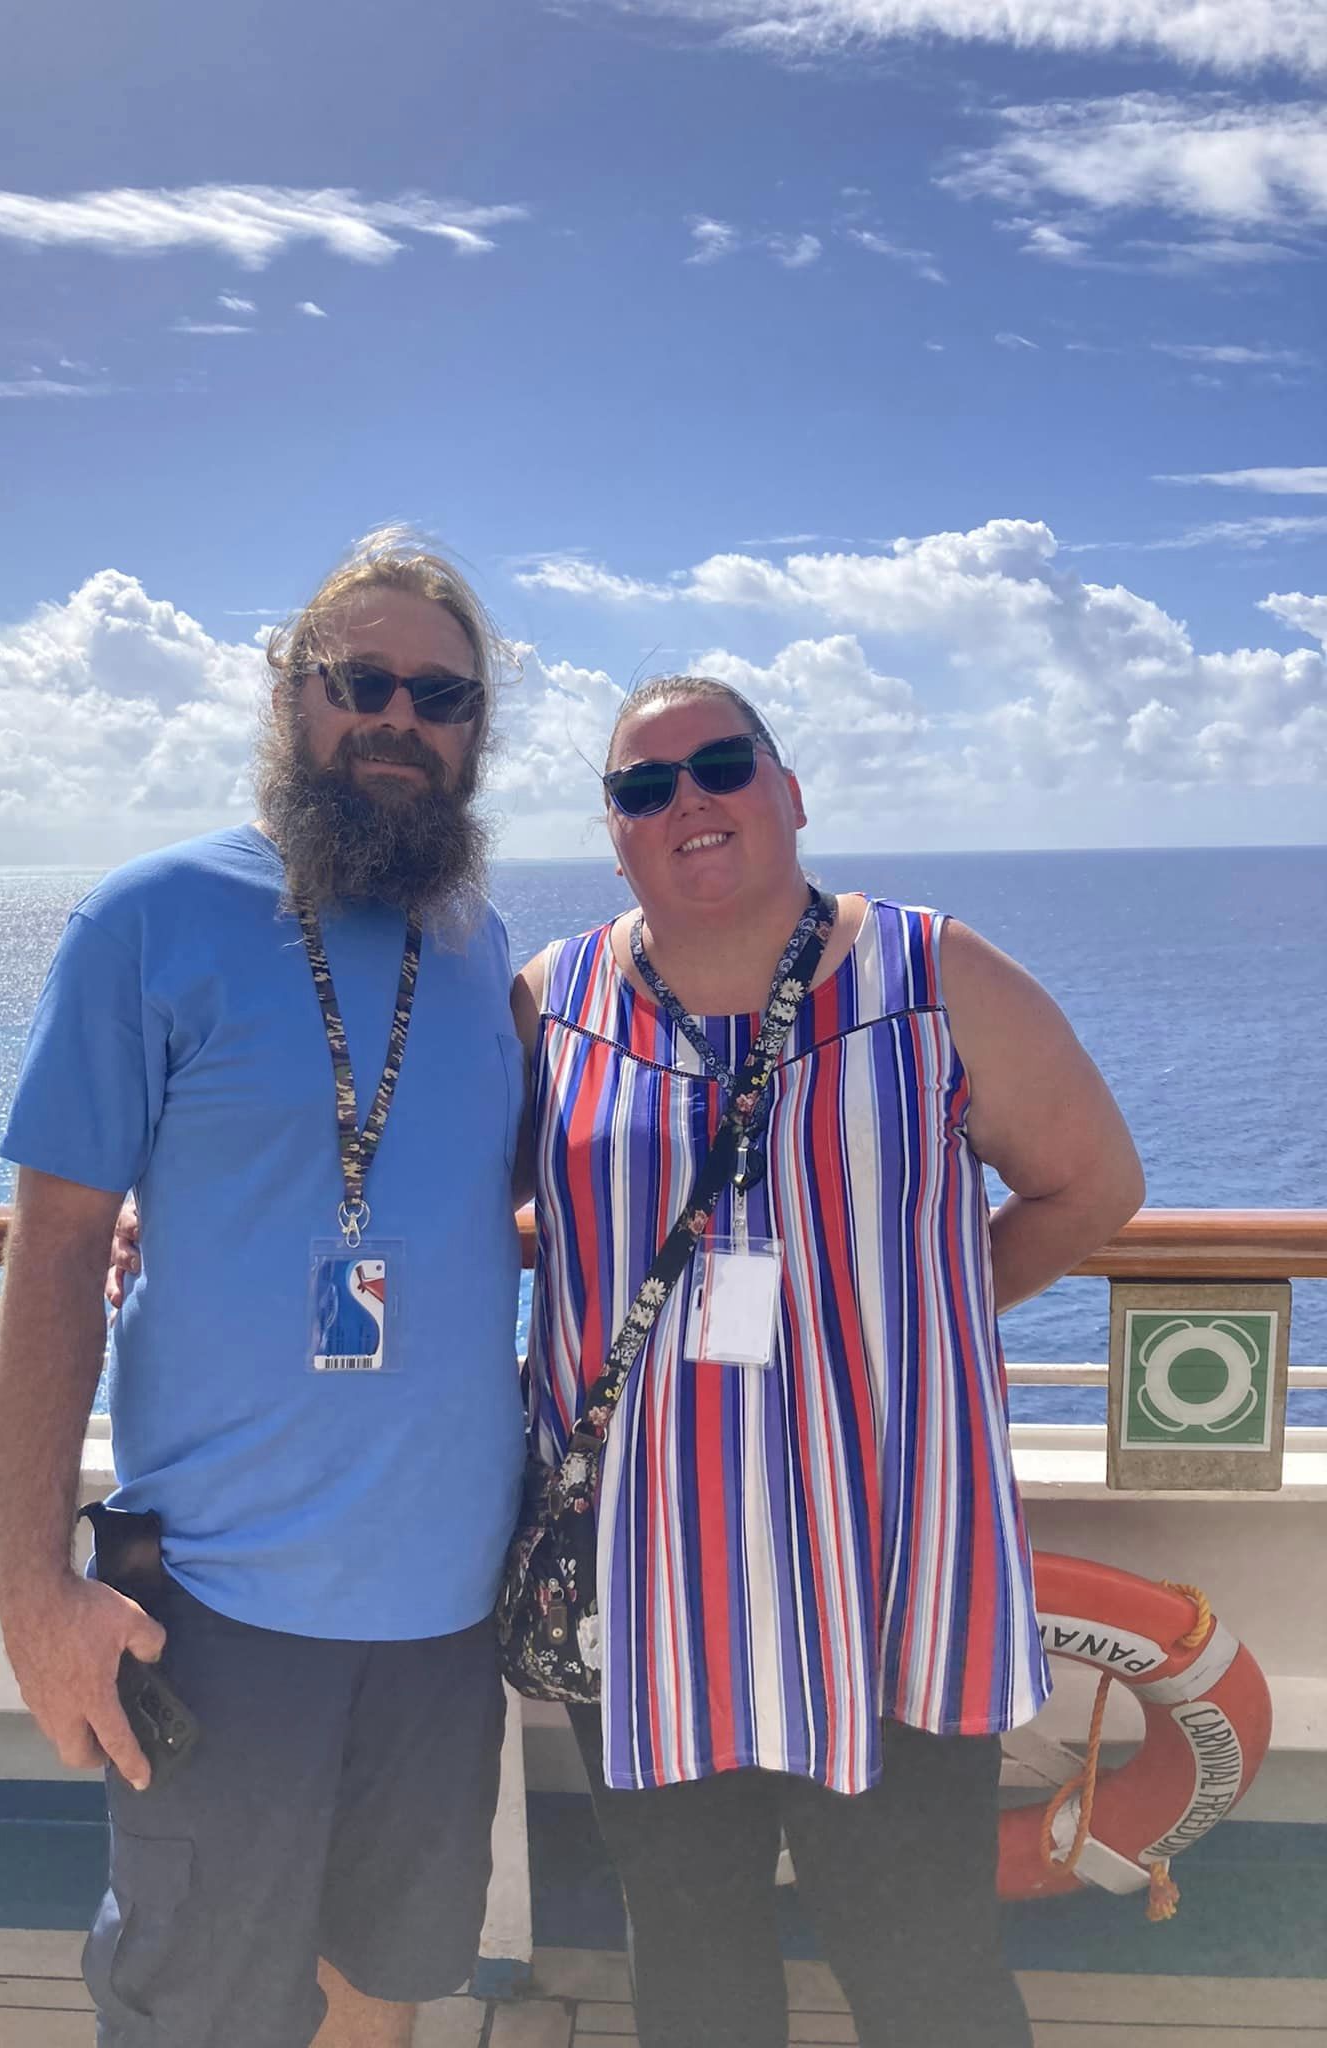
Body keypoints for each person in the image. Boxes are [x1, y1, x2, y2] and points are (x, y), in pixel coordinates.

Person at [510, 674, 1145, 2048]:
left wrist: (925, 1310)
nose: (688, 798)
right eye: (643, 785)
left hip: (888, 1569)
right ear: (614, 833)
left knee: (926, 1968)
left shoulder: (934, 977)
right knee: (690, 1962)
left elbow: (1091, 1184)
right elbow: (444, 1207)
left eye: (722, 764)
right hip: (646, 1589)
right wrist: (181, 1224)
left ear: (789, 793)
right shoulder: (550, 1007)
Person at [0, 531, 529, 2048]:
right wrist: (31, 1584)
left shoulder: (481, 950)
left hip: (443, 1614)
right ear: (290, 697)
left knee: (389, 1986)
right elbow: (53, 1268)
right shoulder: (146, 923)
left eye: (445, 695)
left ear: (478, 731)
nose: (402, 719)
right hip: (218, 1613)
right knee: (200, 2012)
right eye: (364, 681)